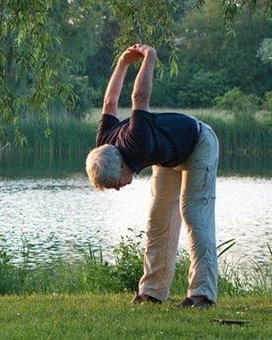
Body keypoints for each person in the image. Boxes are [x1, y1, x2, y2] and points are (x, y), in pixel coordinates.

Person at [85, 44, 219, 308]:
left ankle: (202, 294)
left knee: (194, 214)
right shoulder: (104, 142)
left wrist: (150, 58)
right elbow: (109, 102)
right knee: (158, 220)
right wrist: (122, 64)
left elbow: (139, 97)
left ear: (122, 165)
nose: (119, 188)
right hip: (168, 156)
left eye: (115, 184)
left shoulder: (137, 142)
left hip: (199, 143)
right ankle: (152, 291)